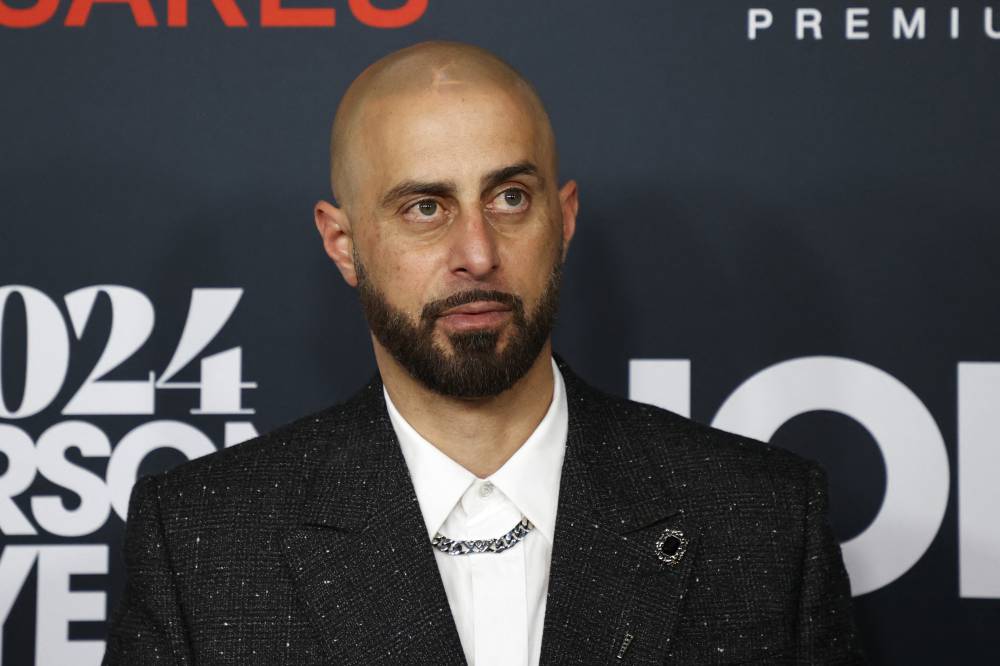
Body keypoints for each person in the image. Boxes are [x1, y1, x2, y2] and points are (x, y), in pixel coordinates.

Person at [103, 40, 865, 665]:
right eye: (425, 208)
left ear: (562, 220)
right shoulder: (205, 545)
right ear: (343, 243)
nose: (477, 252)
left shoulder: (763, 522)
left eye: (509, 198)